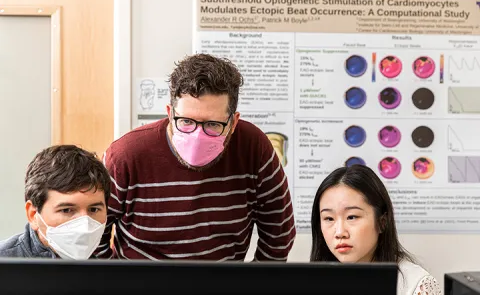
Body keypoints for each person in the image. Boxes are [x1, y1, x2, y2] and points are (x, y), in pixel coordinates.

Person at [96, 54, 296, 261]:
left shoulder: (254, 148)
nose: (197, 136)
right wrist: (113, 282)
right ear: (169, 113)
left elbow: (279, 232)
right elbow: (91, 227)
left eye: (213, 124)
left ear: (234, 122)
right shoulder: (126, 155)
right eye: (186, 121)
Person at [310, 165, 441, 295]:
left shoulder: (417, 286)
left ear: (382, 222)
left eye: (352, 217)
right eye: (329, 218)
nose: (339, 233)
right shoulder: (313, 283)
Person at [0, 145, 111, 259]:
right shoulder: (4, 262)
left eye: (94, 209)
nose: (85, 225)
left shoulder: (106, 273)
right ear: (32, 215)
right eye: (66, 210)